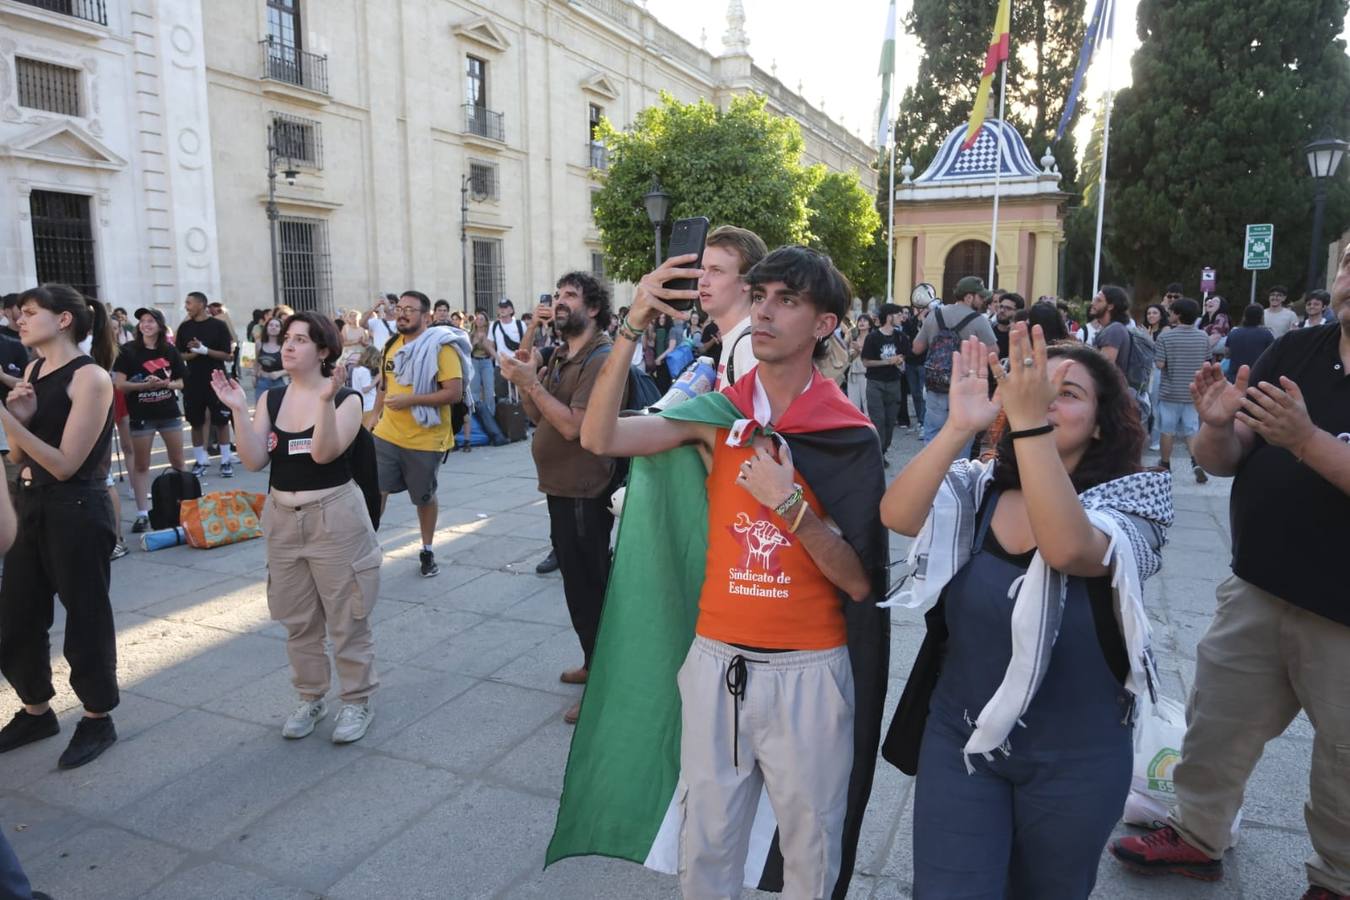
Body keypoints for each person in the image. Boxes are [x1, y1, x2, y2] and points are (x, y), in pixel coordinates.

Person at [569, 245, 888, 899]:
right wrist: (631, 324)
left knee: (809, 852)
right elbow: (600, 438)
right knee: (706, 846)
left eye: (788, 301)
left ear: (823, 325)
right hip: (717, 665)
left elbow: (859, 581)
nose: (765, 311)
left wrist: (791, 506)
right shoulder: (717, 417)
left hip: (809, 673)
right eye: (761, 295)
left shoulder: (848, 434)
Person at [881, 326, 1171, 900]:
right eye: (1036, 387)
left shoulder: (1139, 500)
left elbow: (1068, 549)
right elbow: (898, 513)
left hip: (1077, 760)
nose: (1043, 400)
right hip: (961, 742)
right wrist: (961, 427)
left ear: (1102, 421)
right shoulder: (978, 488)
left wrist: (1030, 423)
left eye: (1068, 393)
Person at [1110, 244, 1350, 900]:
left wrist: (1305, 440)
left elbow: (1299, 442)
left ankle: (1338, 880)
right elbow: (1227, 457)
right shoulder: (1297, 351)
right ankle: (1196, 835)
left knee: (1344, 763)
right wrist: (1213, 431)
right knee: (1217, 720)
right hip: (1260, 585)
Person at [212, 310, 382, 744]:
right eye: (287, 338)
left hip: (335, 518)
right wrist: (237, 410)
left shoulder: (346, 400)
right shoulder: (271, 399)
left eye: (301, 340)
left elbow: (324, 454)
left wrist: (325, 401)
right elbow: (253, 460)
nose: (288, 345)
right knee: (298, 619)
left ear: (323, 350)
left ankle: (357, 701)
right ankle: (311, 697)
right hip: (283, 520)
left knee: (347, 616)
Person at [0, 284, 120, 770]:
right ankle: (36, 709)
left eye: (29, 313)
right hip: (30, 503)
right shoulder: (31, 370)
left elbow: (68, 464)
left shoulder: (90, 378)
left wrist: (9, 421)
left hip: (75, 508)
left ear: (64, 320)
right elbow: (21, 456)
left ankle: (97, 717)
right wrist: (19, 419)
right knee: (16, 616)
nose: (19, 319)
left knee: (86, 617)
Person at [498, 274, 618, 724]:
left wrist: (535, 383)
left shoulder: (601, 357)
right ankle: (593, 661)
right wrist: (530, 380)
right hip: (559, 486)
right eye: (559, 294)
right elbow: (536, 414)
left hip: (586, 488)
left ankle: (607, 681)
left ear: (594, 308)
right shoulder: (564, 354)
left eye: (571, 296)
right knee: (576, 585)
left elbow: (573, 426)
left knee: (592, 587)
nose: (559, 302)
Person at [373, 291, 463, 577]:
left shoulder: (441, 349)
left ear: (426, 317)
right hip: (387, 434)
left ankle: (426, 549)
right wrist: (371, 421)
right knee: (376, 490)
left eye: (409, 309)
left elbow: (454, 393)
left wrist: (410, 401)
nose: (402, 313)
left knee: (424, 498)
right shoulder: (390, 345)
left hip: (426, 438)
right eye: (399, 308)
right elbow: (384, 388)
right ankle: (368, 546)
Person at [112, 308, 188, 532]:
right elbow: (120, 385)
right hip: (141, 415)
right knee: (141, 465)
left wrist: (165, 384)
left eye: (151, 321)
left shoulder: (170, 351)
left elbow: (181, 383)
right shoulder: (128, 351)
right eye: (142, 321)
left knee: (179, 462)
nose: (146, 324)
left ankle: (185, 507)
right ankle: (142, 513)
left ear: (160, 326)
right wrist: (145, 385)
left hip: (169, 414)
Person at [913, 275, 997, 447]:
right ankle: (956, 473)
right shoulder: (979, 320)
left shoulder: (934, 315)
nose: (983, 301)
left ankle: (932, 472)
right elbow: (993, 353)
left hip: (936, 383)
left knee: (933, 435)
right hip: (964, 387)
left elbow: (916, 348)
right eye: (980, 297)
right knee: (961, 439)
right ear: (968, 297)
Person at [697, 224, 768, 388]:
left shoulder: (750, 347)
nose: (703, 281)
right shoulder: (738, 340)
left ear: (747, 281)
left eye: (716, 271)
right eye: (702, 269)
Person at [177, 291, 236, 478]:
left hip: (216, 378)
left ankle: (226, 460)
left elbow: (227, 355)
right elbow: (179, 355)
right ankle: (200, 460)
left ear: (202, 304)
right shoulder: (184, 327)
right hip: (193, 379)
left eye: (189, 303)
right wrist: (194, 354)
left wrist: (204, 350)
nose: (186, 306)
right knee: (195, 421)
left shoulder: (218, 326)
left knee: (221, 420)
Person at [1154, 298, 1211, 482]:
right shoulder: (1203, 336)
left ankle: (1164, 465)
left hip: (1170, 392)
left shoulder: (1165, 336)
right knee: (1191, 429)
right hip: (1193, 391)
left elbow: (1160, 364)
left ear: (1177, 315)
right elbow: (1207, 362)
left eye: (1171, 312)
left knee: (1167, 430)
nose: (1169, 315)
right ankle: (1196, 463)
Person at [863, 303, 910, 463]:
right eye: (898, 315)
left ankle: (882, 450)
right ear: (889, 316)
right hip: (875, 383)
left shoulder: (901, 337)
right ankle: (876, 456)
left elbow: (905, 356)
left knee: (890, 422)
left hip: (894, 383)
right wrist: (888, 362)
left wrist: (900, 362)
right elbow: (866, 362)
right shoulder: (873, 337)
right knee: (878, 420)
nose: (901, 317)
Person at [467, 309, 508, 446]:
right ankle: (480, 425)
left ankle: (492, 424)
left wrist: (496, 358)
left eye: (481, 319)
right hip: (474, 361)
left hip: (485, 362)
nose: (479, 321)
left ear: (485, 322)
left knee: (490, 393)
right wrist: (475, 341)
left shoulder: (490, 333)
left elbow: (492, 349)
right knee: (475, 394)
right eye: (477, 319)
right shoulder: (471, 334)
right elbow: (467, 350)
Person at [1089, 284, 1134, 378]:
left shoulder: (1114, 330)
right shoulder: (1111, 329)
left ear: (1110, 306)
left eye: (1098, 300)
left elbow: (1104, 368)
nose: (1093, 303)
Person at [1222, 304, 1275, 383]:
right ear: (1261, 317)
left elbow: (1227, 354)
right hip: (1257, 378)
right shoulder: (1267, 334)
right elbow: (1272, 356)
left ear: (1245, 316)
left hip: (1234, 377)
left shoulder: (1234, 333)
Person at [349, 344, 382, 430]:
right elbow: (365, 388)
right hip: (369, 405)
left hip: (362, 406)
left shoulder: (356, 369)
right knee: (370, 431)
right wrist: (378, 378)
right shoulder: (364, 371)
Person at [253, 315, 287, 396]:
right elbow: (254, 361)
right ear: (266, 327)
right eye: (271, 325)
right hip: (262, 381)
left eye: (277, 326)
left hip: (280, 382)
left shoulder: (285, 346)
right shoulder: (259, 343)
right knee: (261, 407)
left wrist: (280, 373)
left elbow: (295, 366)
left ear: (281, 329)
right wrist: (254, 376)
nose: (273, 327)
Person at [846, 313, 872, 410]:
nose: (861, 322)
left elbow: (871, 356)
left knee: (867, 403)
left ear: (870, 325)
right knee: (853, 404)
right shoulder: (854, 338)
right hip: (853, 373)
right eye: (860, 320)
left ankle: (869, 424)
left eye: (865, 320)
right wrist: (855, 351)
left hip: (867, 374)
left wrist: (859, 349)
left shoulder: (872, 338)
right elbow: (850, 358)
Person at [993, 292, 1025, 360]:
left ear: (1017, 312)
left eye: (1008, 308)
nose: (1002, 310)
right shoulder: (989, 332)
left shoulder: (1022, 337)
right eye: (1001, 306)